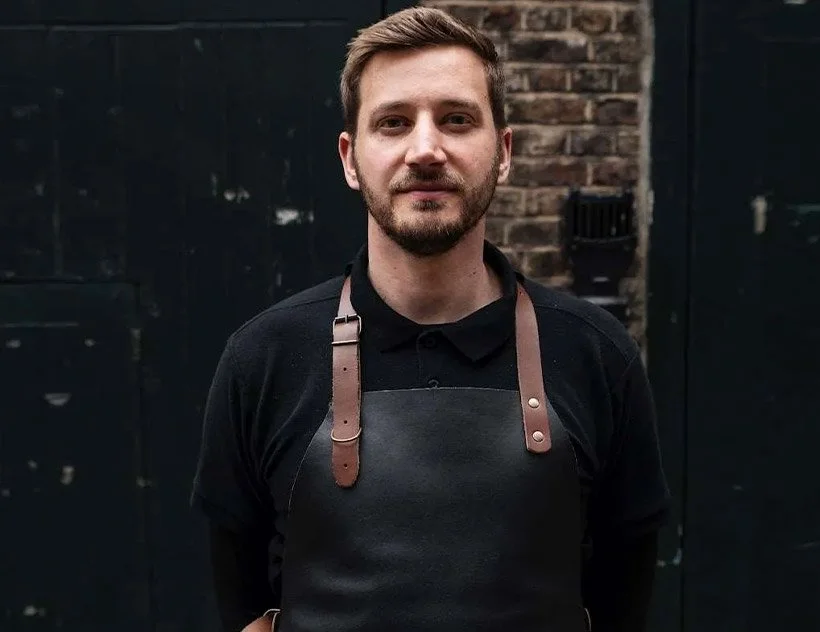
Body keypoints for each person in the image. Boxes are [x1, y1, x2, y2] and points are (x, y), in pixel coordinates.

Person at [191, 7, 670, 632]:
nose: (425, 149)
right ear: (350, 158)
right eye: (393, 123)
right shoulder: (264, 358)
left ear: (502, 153)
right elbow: (241, 602)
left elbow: (621, 598)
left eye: (456, 119)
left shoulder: (595, 354)